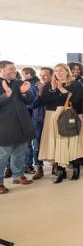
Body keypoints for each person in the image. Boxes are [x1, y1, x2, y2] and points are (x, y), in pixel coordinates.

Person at [39, 63, 83, 183]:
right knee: (58, 144)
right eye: (56, 71)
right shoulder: (49, 86)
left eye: (61, 70)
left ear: (67, 72)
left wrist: (61, 88)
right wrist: (53, 88)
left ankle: (76, 169)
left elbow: (76, 100)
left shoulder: (76, 85)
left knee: (73, 144)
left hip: (72, 117)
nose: (58, 73)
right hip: (54, 118)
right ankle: (61, 172)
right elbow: (44, 101)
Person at [0, 60, 34, 194]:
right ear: (1, 69)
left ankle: (18, 176)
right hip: (4, 126)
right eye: (11, 69)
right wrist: (5, 95)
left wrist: (24, 93)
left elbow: (30, 100)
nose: (14, 71)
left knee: (20, 153)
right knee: (2, 156)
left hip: (22, 125)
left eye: (14, 69)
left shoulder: (19, 83)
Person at [28, 67, 52, 180]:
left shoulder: (55, 87)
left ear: (51, 76)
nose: (42, 77)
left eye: (45, 75)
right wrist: (40, 92)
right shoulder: (34, 88)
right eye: (41, 74)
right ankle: (39, 168)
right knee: (37, 145)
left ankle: (55, 166)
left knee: (53, 143)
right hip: (38, 120)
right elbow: (31, 105)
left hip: (52, 119)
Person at [20, 67, 39, 176]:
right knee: (33, 144)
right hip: (32, 117)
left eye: (23, 74)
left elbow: (31, 102)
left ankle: (29, 165)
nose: (22, 76)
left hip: (31, 117)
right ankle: (31, 165)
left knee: (30, 144)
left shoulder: (32, 84)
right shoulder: (26, 84)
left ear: (28, 74)